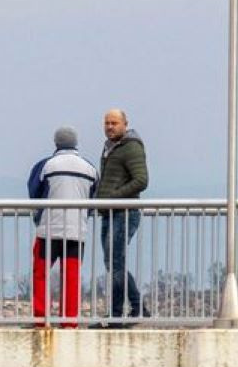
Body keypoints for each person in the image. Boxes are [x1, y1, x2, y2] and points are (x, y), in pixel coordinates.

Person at [27, 126, 97, 327]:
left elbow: (34, 193)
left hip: (48, 230)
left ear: (56, 143)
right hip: (77, 232)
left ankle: (41, 319)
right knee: (71, 277)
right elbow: (94, 198)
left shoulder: (46, 165)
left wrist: (38, 217)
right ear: (75, 143)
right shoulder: (90, 168)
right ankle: (69, 321)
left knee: (40, 273)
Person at [96, 109, 148, 322]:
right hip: (110, 213)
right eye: (107, 123)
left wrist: (114, 197)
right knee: (113, 263)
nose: (109, 127)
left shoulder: (131, 148)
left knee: (115, 263)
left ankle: (117, 314)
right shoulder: (111, 148)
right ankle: (137, 308)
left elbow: (141, 180)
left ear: (125, 124)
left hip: (124, 212)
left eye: (114, 123)